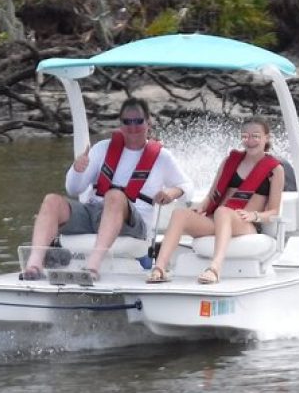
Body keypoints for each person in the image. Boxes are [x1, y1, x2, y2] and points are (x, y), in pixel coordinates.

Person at [21, 97, 192, 281]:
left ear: (148, 123)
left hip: (134, 223)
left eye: (138, 121)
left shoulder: (163, 157)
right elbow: (73, 189)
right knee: (51, 200)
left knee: (115, 196)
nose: (133, 127)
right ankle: (34, 266)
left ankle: (92, 268)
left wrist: (171, 193)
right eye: (127, 122)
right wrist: (77, 170)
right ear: (120, 124)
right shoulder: (101, 149)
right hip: (93, 213)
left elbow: (187, 187)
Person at [147, 116, 285, 285]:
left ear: (267, 138)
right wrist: (200, 208)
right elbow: (211, 196)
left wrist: (254, 216)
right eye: (245, 136)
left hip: (246, 224)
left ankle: (215, 268)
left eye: (255, 136)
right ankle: (160, 268)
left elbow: (274, 212)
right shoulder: (229, 161)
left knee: (222, 211)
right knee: (180, 214)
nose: (250, 141)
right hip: (219, 219)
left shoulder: (275, 170)